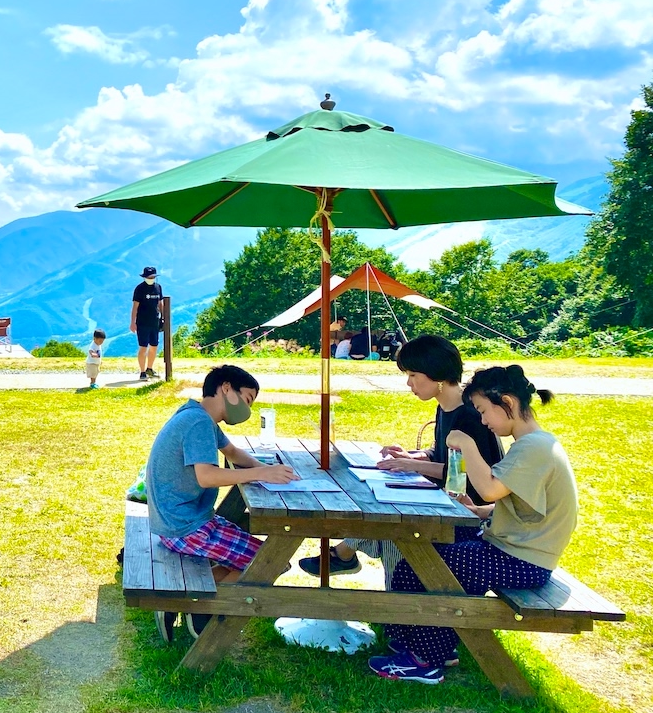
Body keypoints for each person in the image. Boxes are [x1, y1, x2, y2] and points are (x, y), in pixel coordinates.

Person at [370, 364, 575, 684]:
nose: (483, 421)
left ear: (506, 402)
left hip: (524, 560)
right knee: (420, 557)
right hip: (512, 548)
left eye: (483, 411)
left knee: (433, 565)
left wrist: (467, 444)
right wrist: (479, 512)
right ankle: (416, 641)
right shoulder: (532, 445)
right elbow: (521, 506)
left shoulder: (534, 447)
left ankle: (426, 659)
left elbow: (490, 487)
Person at [299, 334, 503, 584]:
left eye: (413, 375)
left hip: (468, 510)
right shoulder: (445, 406)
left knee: (395, 523)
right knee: (384, 507)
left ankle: (390, 588)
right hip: (445, 499)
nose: (409, 383)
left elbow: (467, 472)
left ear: (436, 373)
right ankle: (367, 570)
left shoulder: (471, 415)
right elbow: (442, 452)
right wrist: (412, 455)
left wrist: (411, 464)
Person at [146, 364, 299, 641]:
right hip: (185, 527)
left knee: (259, 557)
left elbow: (232, 452)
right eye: (248, 399)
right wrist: (262, 473)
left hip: (175, 520)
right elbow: (206, 477)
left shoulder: (196, 415)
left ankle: (180, 599)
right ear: (226, 388)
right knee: (269, 562)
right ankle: (198, 610)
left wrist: (266, 468)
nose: (248, 409)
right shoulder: (199, 423)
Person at [130, 266, 164, 381]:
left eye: (153, 276)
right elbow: (135, 306)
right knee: (143, 347)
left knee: (154, 346)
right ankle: (142, 371)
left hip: (155, 322)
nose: (151, 278)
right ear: (144, 277)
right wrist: (132, 322)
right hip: (142, 322)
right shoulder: (139, 289)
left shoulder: (158, 287)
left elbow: (160, 303)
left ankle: (150, 368)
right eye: (149, 277)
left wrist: (163, 317)